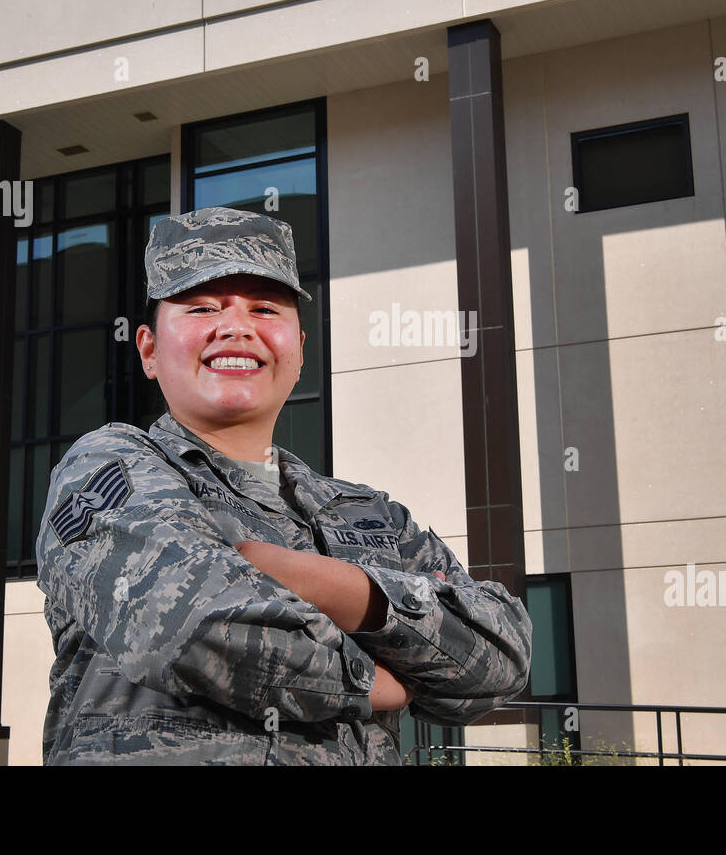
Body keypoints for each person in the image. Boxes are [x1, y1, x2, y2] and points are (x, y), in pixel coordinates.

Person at [35, 206, 533, 764]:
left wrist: (344, 590)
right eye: (202, 307)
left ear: (298, 349)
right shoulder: (109, 466)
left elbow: (501, 655)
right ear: (149, 350)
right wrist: (374, 681)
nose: (236, 326)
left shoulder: (369, 515)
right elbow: (190, 623)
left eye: (265, 308)